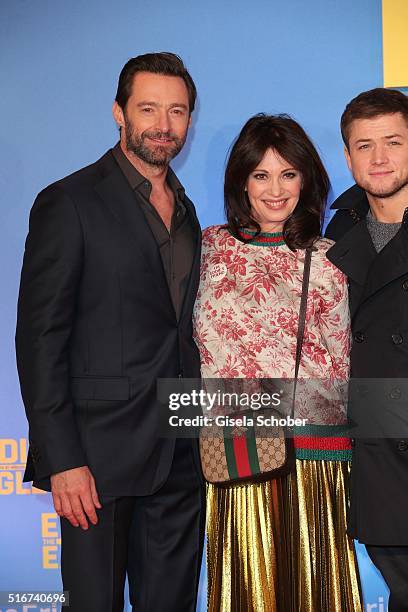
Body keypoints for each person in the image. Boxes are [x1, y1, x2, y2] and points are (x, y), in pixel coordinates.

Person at [16, 52, 205, 612]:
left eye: (177, 111)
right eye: (148, 108)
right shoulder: (68, 202)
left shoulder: (188, 210)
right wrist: (62, 459)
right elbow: (40, 338)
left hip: (180, 453)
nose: (163, 125)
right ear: (118, 112)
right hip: (96, 460)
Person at [193, 114, 362, 611]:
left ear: (306, 180)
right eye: (261, 174)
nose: (275, 189)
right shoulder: (208, 248)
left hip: (316, 457)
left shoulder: (334, 259)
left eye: (288, 174)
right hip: (238, 452)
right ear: (241, 181)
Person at [325, 88, 408, 612]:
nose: (379, 158)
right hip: (376, 455)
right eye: (364, 145)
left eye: (393, 142)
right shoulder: (337, 230)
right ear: (348, 155)